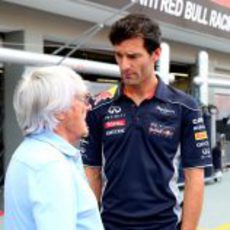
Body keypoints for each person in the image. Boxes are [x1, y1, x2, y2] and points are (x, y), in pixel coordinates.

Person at [81, 14, 212, 230]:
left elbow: (194, 176)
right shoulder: (99, 107)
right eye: (119, 56)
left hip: (164, 224)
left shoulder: (185, 107)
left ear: (156, 54)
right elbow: (92, 172)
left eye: (133, 56)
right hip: (111, 225)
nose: (124, 65)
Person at [4, 66, 104, 230]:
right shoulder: (50, 164)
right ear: (59, 111)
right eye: (82, 99)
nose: (89, 107)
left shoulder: (32, 153)